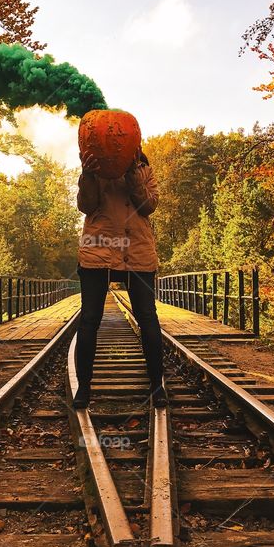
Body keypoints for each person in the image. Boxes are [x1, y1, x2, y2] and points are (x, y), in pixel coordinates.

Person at [73, 144, 166, 409]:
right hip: (97, 249)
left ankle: (156, 385)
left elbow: (149, 206)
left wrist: (133, 174)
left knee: (147, 316)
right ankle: (84, 387)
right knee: (90, 318)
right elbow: (85, 205)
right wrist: (88, 174)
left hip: (137, 250)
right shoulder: (95, 169)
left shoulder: (144, 171)